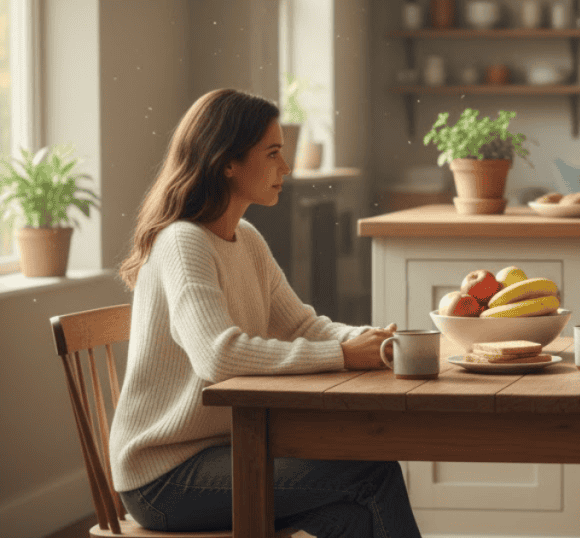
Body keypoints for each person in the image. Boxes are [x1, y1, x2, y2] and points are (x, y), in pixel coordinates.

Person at [111, 88, 422, 537]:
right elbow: (217, 357)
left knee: (355, 516)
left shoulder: (247, 238)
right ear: (227, 163)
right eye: (273, 153)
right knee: (371, 473)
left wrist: (370, 338)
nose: (286, 168)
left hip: (225, 452)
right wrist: (345, 357)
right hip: (164, 478)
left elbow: (302, 325)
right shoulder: (184, 242)